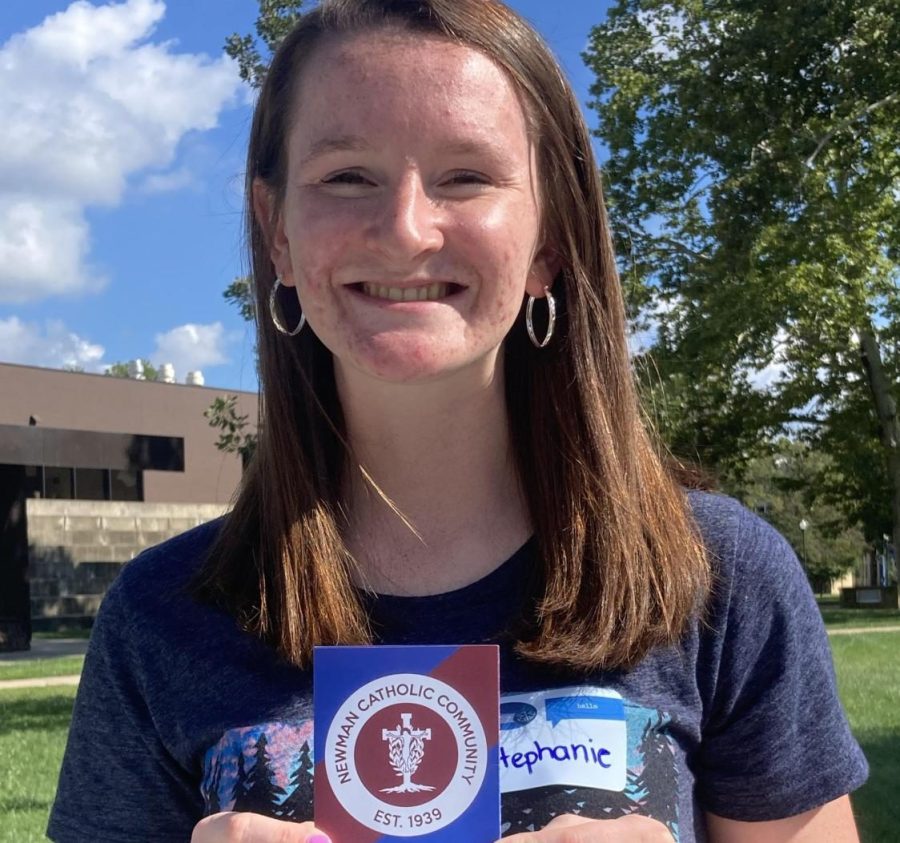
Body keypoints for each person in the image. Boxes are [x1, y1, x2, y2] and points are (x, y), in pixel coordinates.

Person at [48, 1, 867, 841]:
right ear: (277, 232)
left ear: (549, 237)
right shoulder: (159, 616)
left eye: (466, 176)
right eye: (346, 177)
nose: (406, 228)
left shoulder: (719, 578)